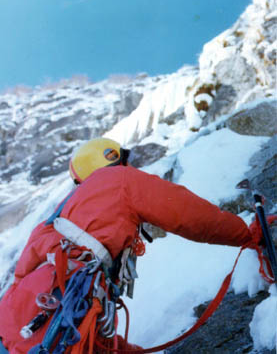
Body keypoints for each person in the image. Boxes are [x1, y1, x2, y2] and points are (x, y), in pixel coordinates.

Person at [0, 137, 257, 354]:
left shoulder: (52, 223)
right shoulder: (119, 179)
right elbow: (185, 212)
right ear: (115, 162)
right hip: (48, 334)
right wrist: (244, 234)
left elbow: (22, 278)